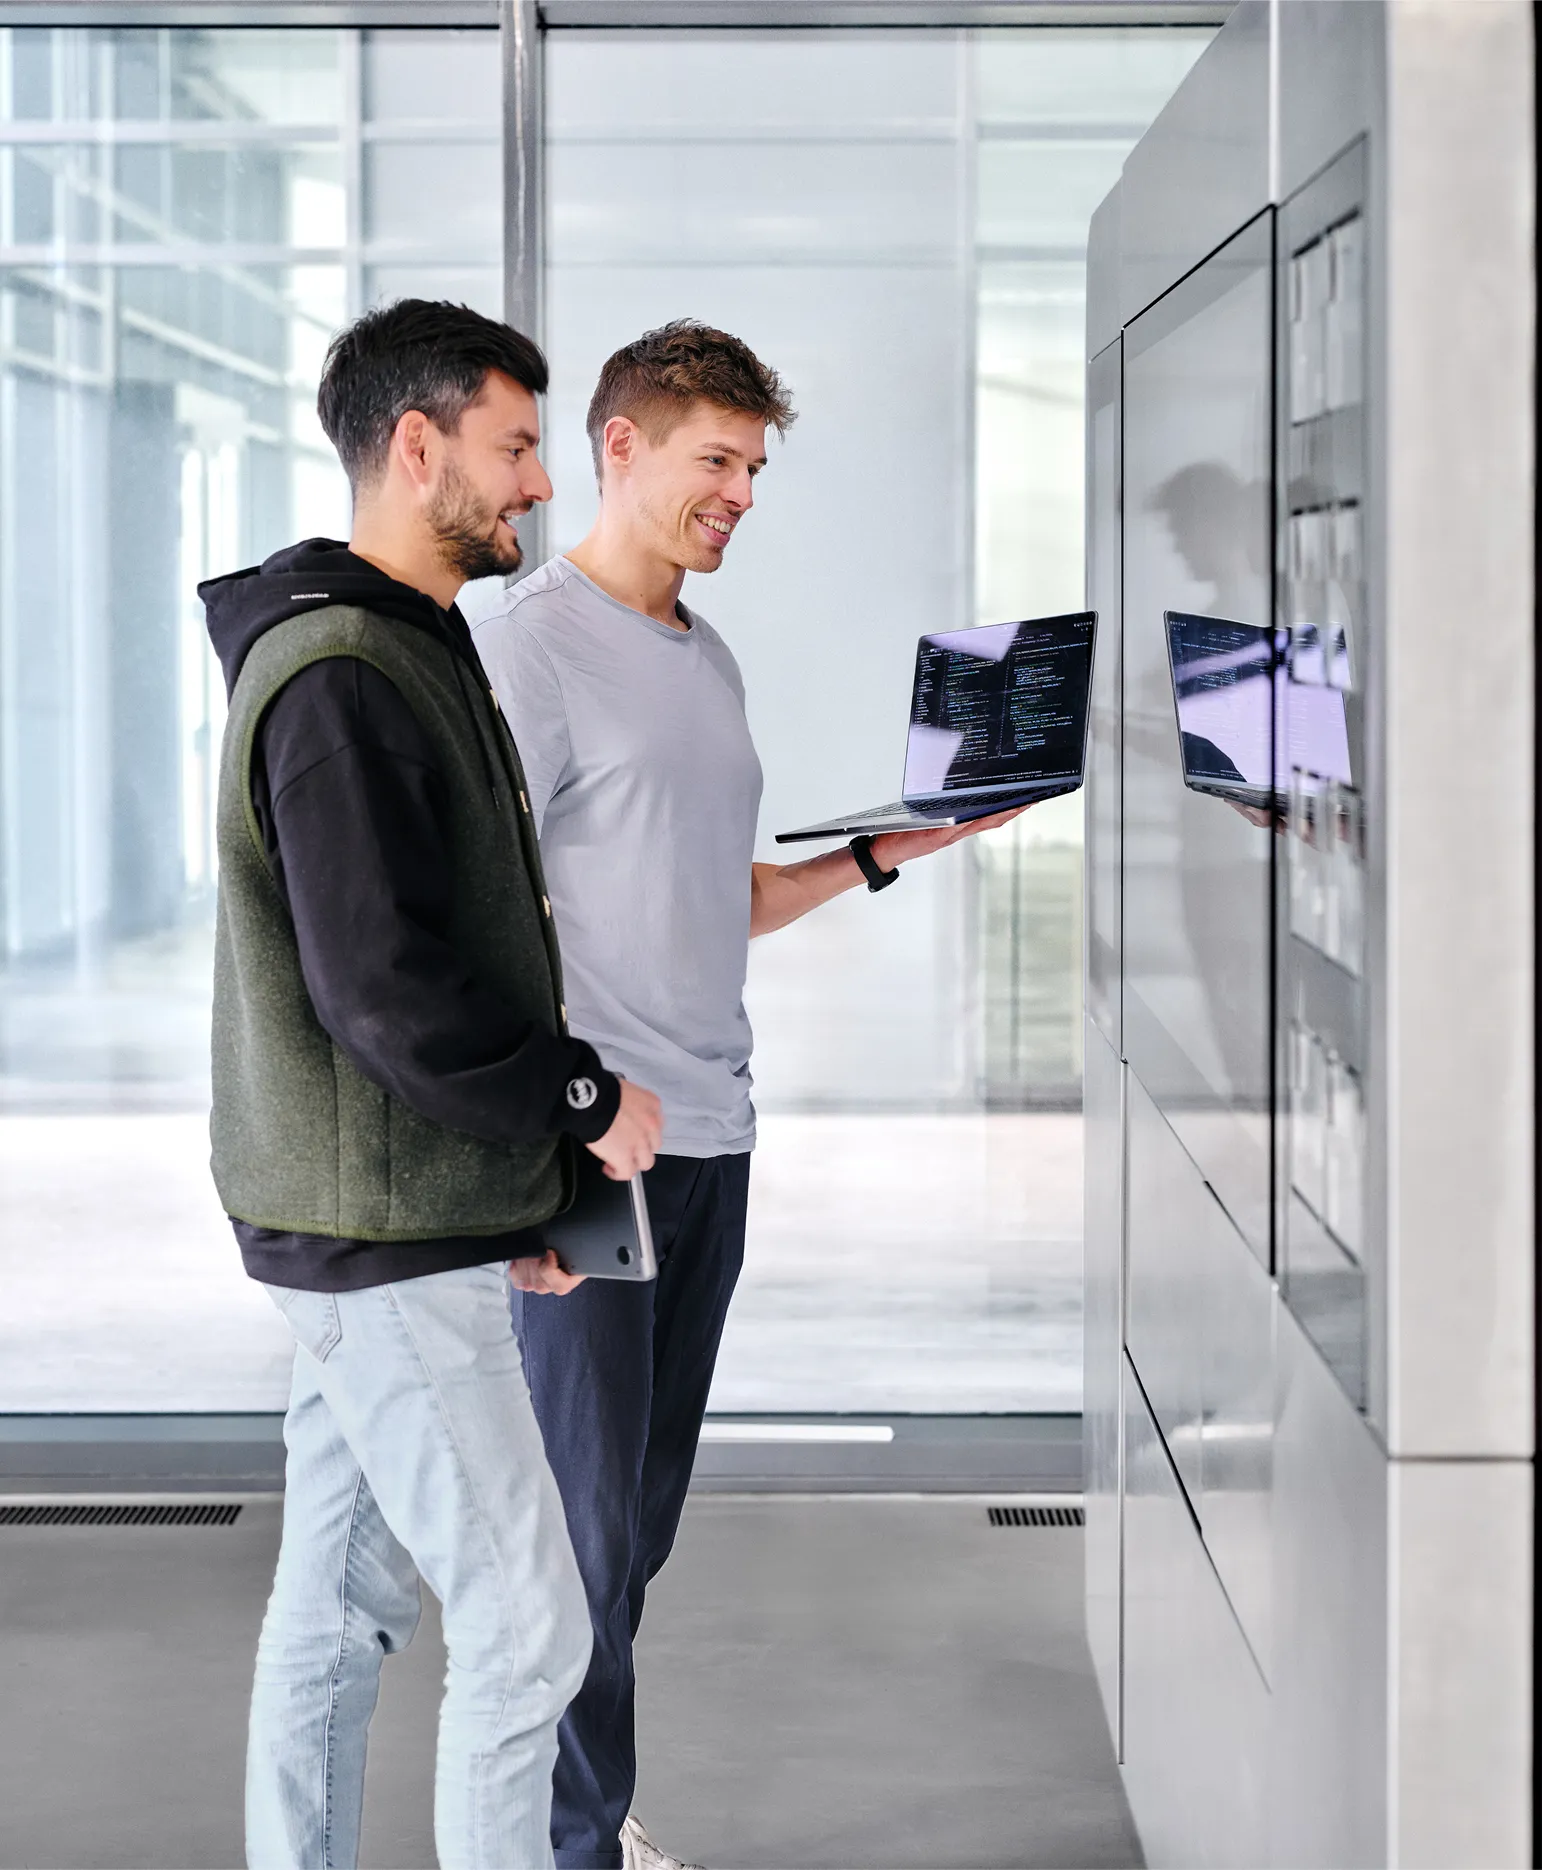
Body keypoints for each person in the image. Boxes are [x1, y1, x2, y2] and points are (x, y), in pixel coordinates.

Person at [472, 321, 1019, 1870]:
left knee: (634, 1528)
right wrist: (546, 1128)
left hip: (712, 1132)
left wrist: (884, 851)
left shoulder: (703, 655)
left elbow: (722, 895)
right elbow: (480, 915)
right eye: (716, 459)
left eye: (756, 466)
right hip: (594, 1151)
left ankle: (570, 1815)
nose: (742, 494)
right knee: (577, 1540)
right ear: (621, 448)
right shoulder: (534, 648)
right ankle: (558, 1847)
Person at [204, 298, 663, 1870]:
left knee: (338, 1608)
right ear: (419, 448)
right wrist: (580, 1106)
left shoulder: (404, 641)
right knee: (531, 1626)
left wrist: (523, 1190)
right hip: (379, 1233)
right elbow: (386, 990)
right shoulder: (341, 673)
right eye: (517, 444)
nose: (540, 482)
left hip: (393, 1214)